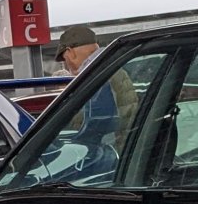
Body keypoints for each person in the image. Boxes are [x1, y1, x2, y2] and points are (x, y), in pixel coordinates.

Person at [54, 25, 138, 153]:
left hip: (110, 153)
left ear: (70, 52)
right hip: (127, 147)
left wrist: (66, 97)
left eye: (65, 59)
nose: (67, 64)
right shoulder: (111, 65)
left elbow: (86, 124)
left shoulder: (93, 76)